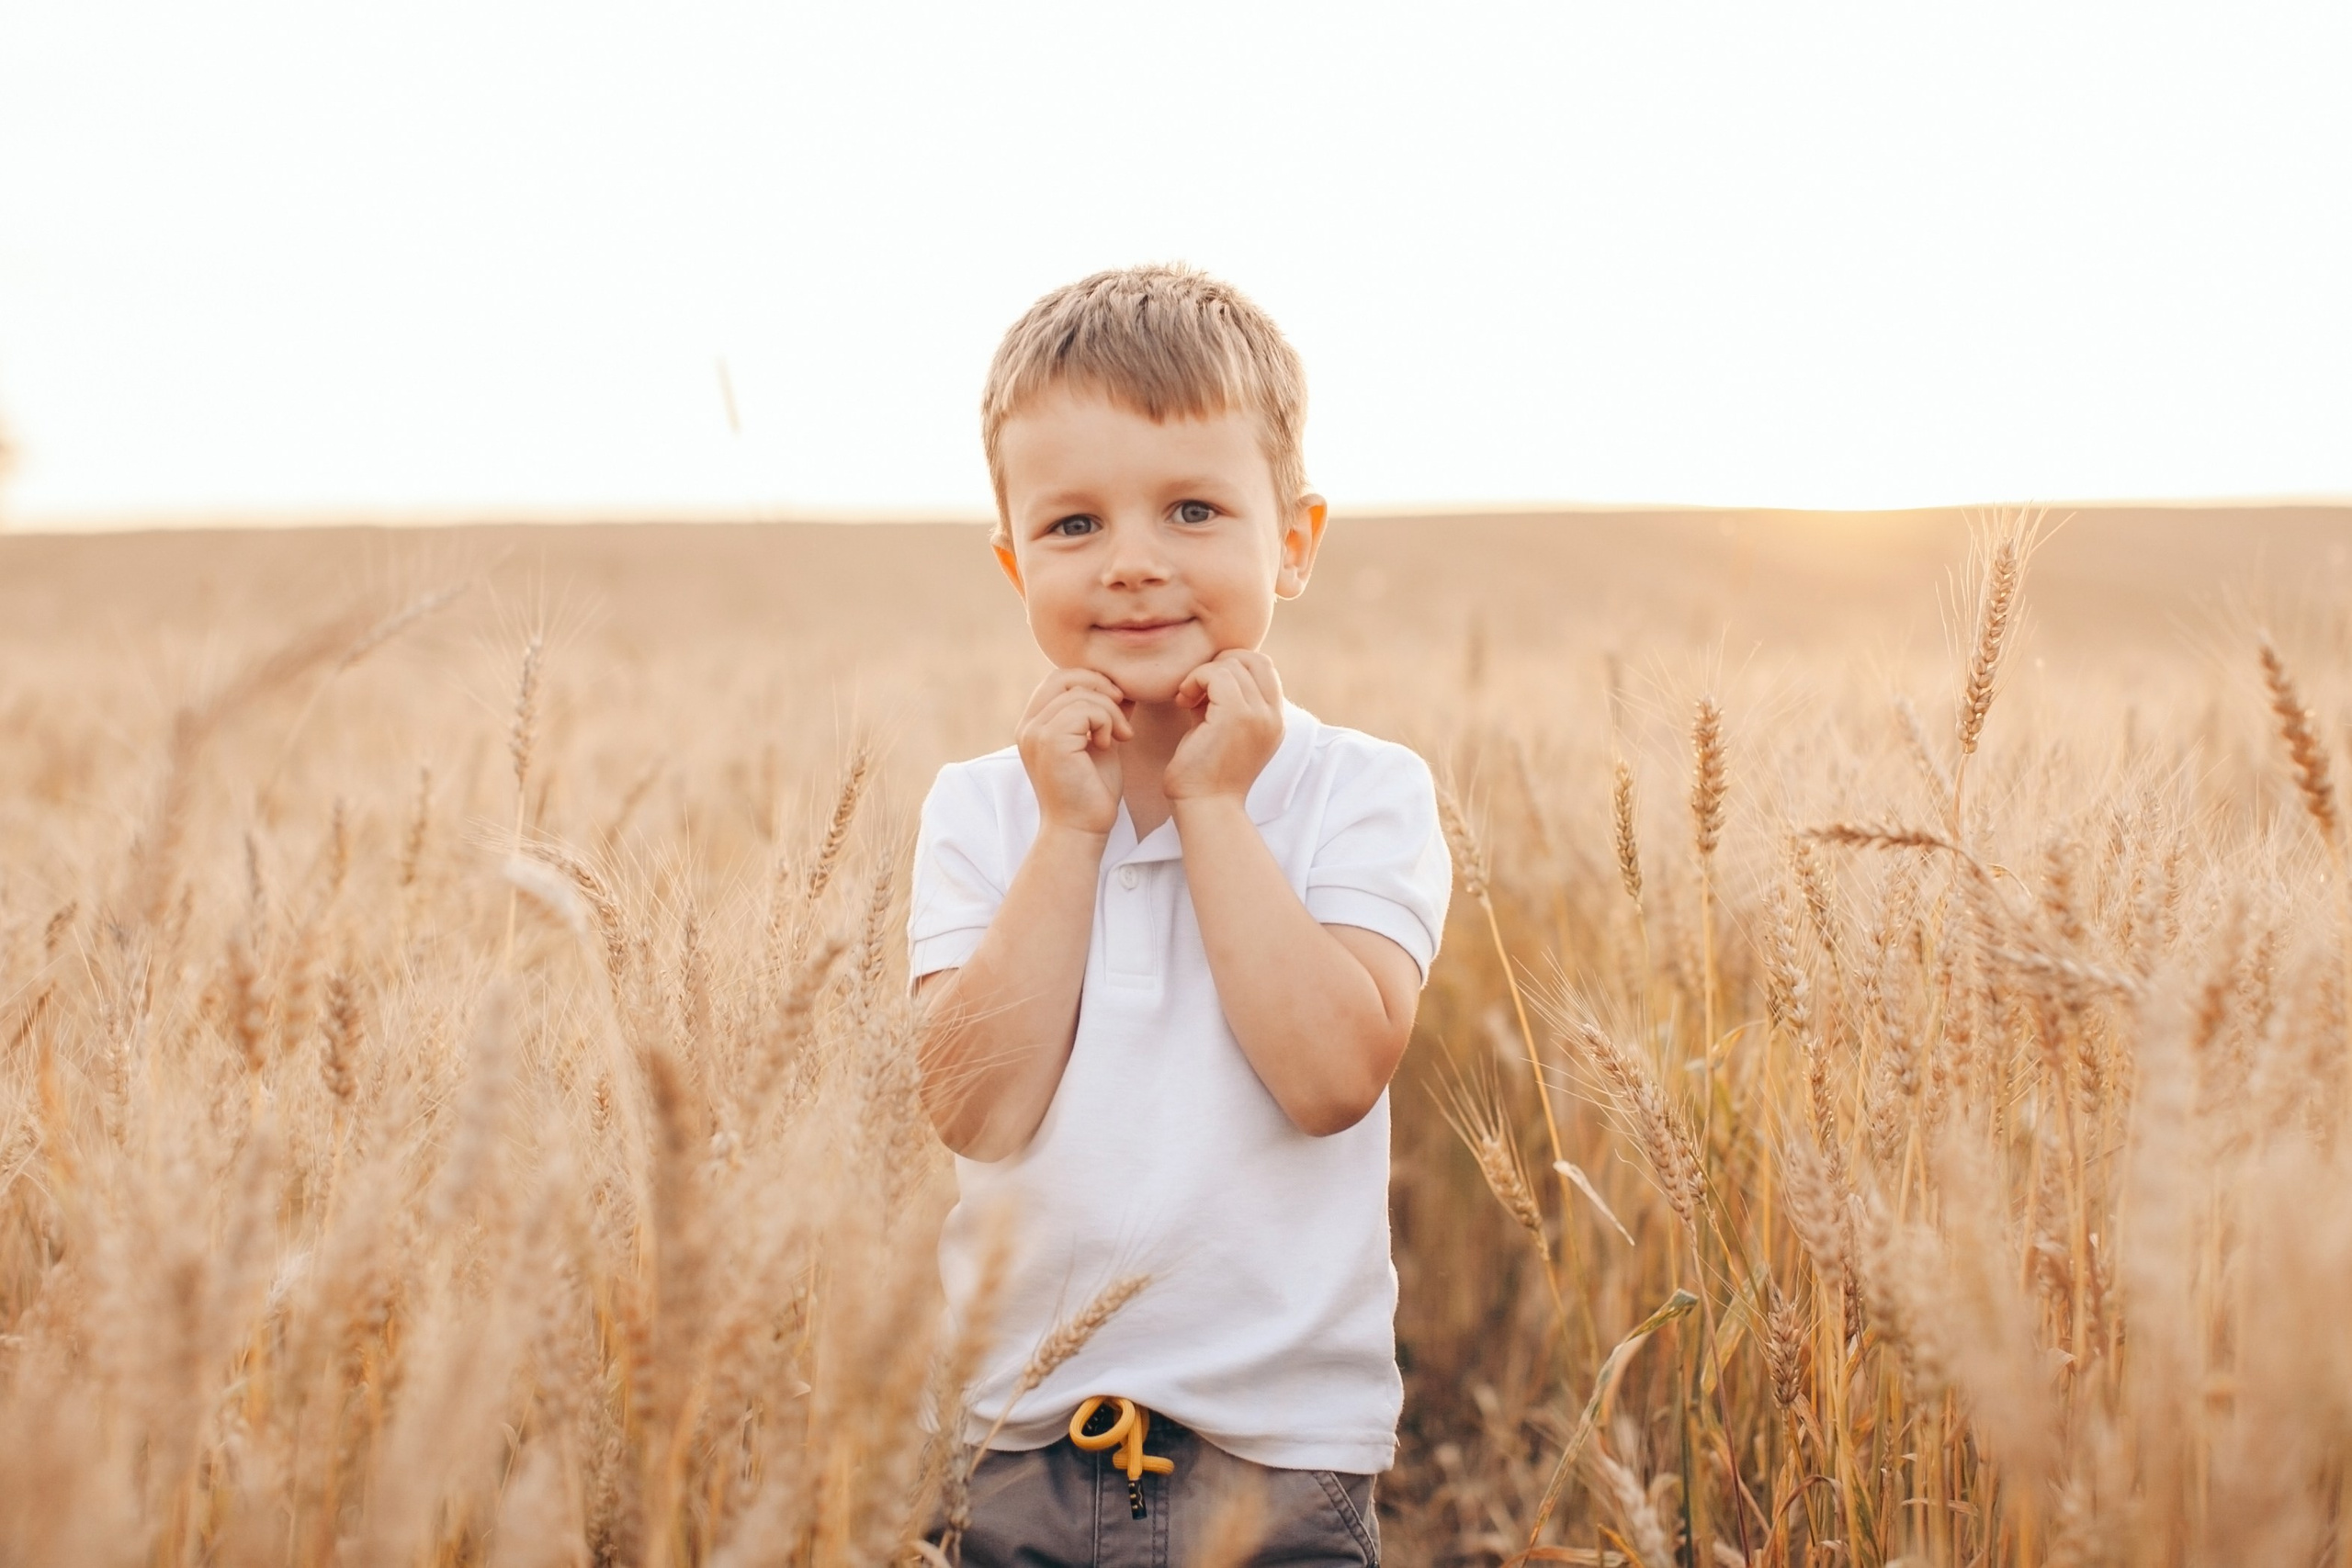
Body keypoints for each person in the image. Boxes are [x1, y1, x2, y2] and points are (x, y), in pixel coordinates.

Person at [910, 264, 1451, 1567]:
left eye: (1194, 509)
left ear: (1296, 543)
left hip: (1278, 1459)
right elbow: (973, 1108)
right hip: (1018, 1445)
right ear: (1011, 561)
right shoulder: (984, 813)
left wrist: (1215, 806)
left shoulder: (1361, 794)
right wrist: (1071, 831)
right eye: (1074, 526)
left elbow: (1330, 1078)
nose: (1135, 564)